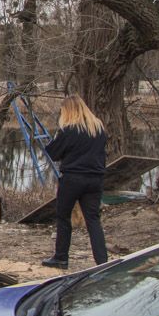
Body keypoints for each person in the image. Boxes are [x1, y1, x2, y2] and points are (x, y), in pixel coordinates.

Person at [42, 94, 109, 269]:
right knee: (93, 220)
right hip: (95, 179)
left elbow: (53, 153)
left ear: (68, 111)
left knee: (63, 217)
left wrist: (54, 138)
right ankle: (102, 261)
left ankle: (61, 258)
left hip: (72, 179)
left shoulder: (69, 130)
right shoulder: (98, 128)